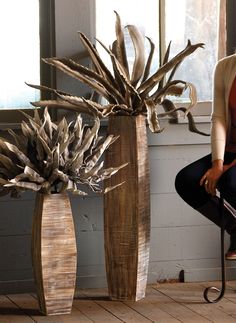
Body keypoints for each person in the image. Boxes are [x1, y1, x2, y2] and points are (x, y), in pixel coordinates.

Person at [175, 53, 236, 260]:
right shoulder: (225, 67)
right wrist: (218, 163)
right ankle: (235, 228)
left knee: (231, 182)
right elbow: (218, 118)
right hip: (230, 149)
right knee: (188, 181)